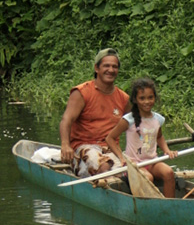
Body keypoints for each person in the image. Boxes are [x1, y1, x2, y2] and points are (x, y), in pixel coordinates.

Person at [59, 48, 131, 177]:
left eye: (114, 67)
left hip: (111, 149)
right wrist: (65, 145)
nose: (111, 70)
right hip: (83, 148)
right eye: (106, 66)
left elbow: (135, 126)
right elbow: (66, 120)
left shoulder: (124, 98)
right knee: (102, 165)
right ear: (97, 68)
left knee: (126, 171)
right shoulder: (82, 92)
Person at [105, 77, 178, 197]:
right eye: (142, 98)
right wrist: (121, 158)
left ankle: (170, 204)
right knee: (148, 178)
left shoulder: (158, 119)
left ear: (155, 98)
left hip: (152, 161)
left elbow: (159, 137)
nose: (147, 102)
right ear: (135, 99)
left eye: (150, 97)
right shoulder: (129, 119)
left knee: (169, 173)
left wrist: (167, 150)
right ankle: (148, 205)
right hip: (134, 165)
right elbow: (110, 138)